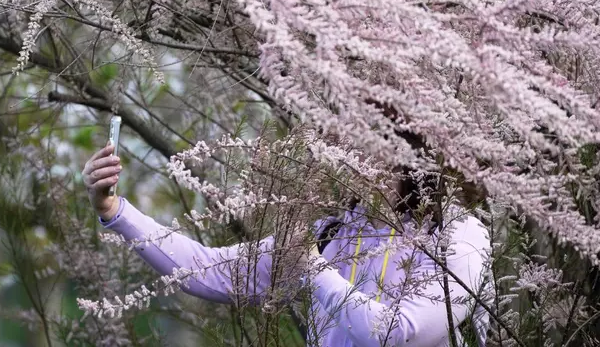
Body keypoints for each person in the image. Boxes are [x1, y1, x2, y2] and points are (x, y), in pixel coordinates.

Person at [83, 144, 492, 347]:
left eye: (364, 139)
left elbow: (399, 334)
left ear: (408, 148)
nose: (344, 154)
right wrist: (116, 210)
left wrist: (312, 268)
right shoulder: (332, 232)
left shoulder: (457, 235)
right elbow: (208, 271)